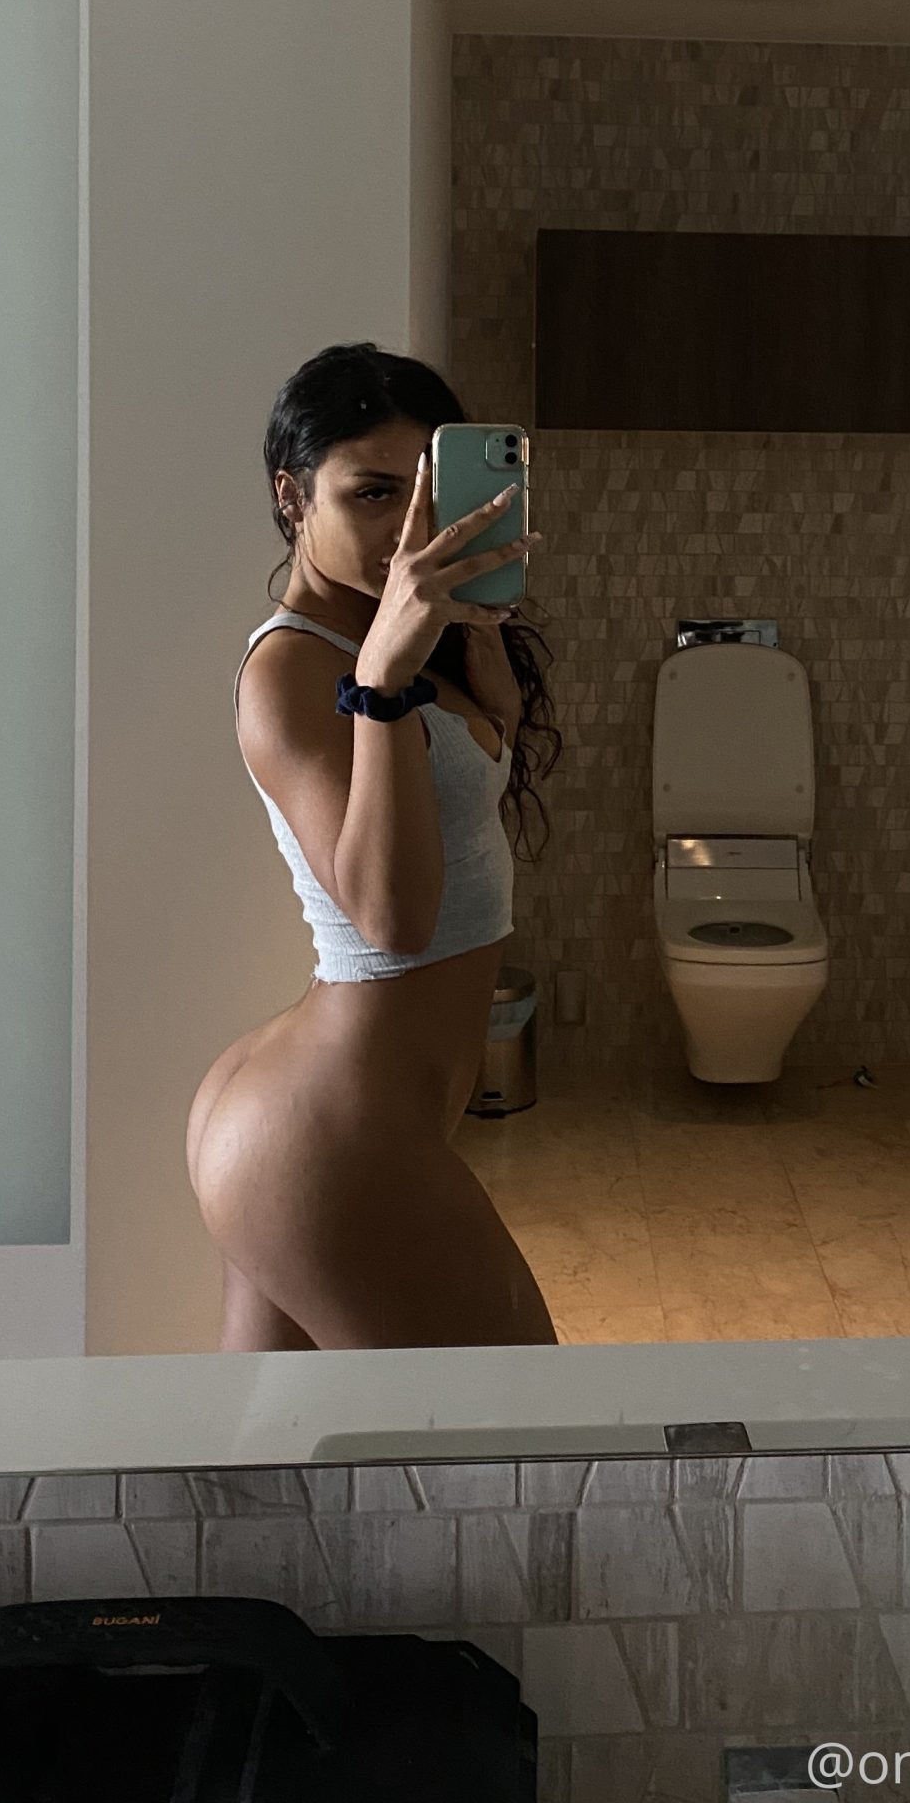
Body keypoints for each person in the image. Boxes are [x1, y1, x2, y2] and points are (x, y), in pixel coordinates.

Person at [184, 342, 561, 1349]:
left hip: (312, 1115)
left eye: (422, 492)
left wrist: (482, 680)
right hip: (326, 1136)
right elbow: (394, 920)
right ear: (293, 495)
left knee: (281, 1442)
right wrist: (385, 684)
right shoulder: (296, 668)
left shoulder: (388, 636)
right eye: (372, 493)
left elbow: (445, 811)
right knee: (522, 1420)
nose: (404, 527)